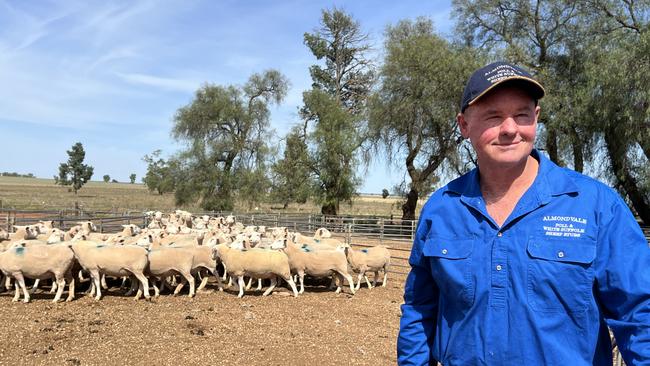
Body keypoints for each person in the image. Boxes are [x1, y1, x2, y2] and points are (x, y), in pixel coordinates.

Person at [397, 61, 650, 365]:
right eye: (493, 116)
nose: (510, 129)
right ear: (464, 125)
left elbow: (639, 314)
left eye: (521, 115)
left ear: (536, 119)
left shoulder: (595, 205)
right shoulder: (442, 208)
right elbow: (420, 309)